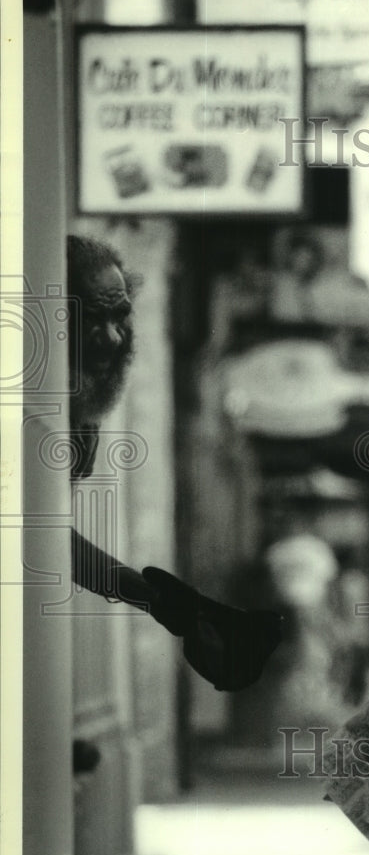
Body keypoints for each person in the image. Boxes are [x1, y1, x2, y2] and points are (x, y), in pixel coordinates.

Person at [67, 234, 283, 692]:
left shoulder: (76, 410)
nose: (110, 337)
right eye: (89, 317)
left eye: (119, 315)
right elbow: (35, 538)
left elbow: (43, 539)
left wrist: (173, 606)